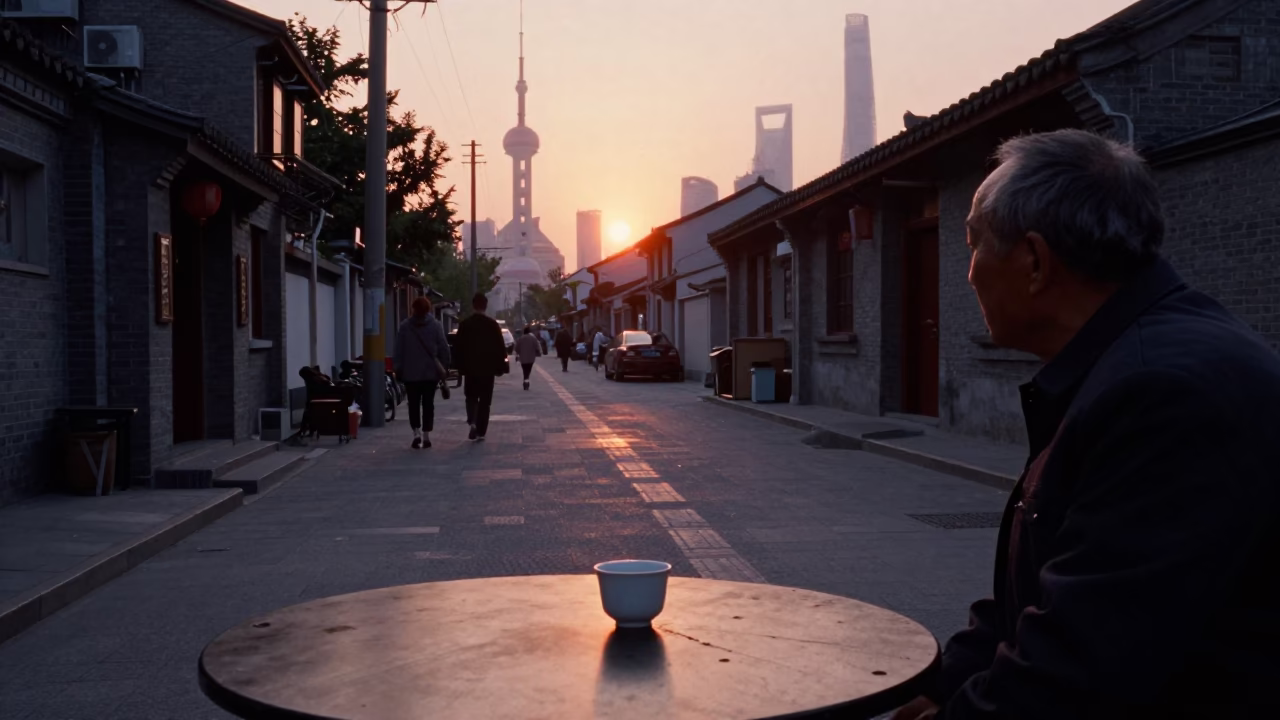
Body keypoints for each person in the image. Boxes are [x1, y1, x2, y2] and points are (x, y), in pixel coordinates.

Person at [891, 129, 1280, 720]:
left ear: (1035, 262)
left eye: (974, 245)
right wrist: (943, 686)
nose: (968, 275)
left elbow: (1081, 666)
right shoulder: (1117, 362)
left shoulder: (1164, 393)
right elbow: (1040, 596)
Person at [393, 297, 450, 449]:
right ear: (428, 309)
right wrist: (444, 366)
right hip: (430, 373)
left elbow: (399, 349)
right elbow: (444, 347)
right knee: (428, 404)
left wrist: (397, 367)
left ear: (414, 309)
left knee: (413, 403)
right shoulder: (436, 326)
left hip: (410, 374)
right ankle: (426, 435)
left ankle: (416, 432)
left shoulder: (405, 326)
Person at [453, 293, 507, 442]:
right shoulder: (492, 324)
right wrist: (501, 366)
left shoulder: (465, 325)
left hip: (470, 369)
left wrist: (458, 367)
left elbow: (457, 348)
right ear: (486, 305)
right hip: (487, 370)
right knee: (485, 400)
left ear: (473, 305)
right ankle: (481, 429)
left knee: (471, 397)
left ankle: (472, 421)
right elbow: (500, 347)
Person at [514, 326, 541, 391]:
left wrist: (517, 354)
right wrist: (538, 352)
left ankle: (526, 381)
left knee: (524, 370)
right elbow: (537, 347)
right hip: (531, 358)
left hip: (523, 359)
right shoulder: (533, 338)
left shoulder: (520, 339)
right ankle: (526, 381)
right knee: (528, 370)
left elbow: (517, 348)